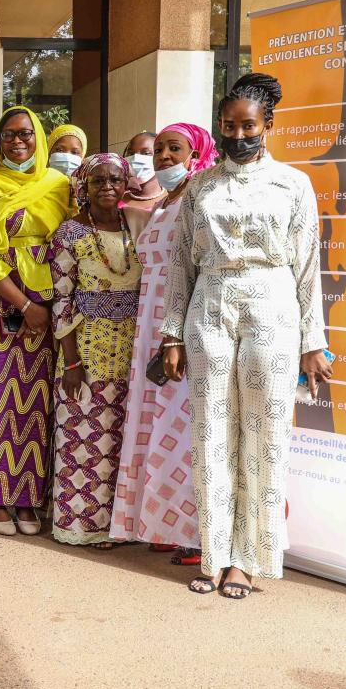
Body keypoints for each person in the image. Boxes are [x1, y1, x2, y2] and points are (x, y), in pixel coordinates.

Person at [161, 73, 331, 600]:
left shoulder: (293, 184)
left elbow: (308, 266)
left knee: (265, 436)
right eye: (228, 126)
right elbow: (180, 264)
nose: (238, 135)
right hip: (209, 309)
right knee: (211, 433)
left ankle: (249, 560)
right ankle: (215, 555)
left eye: (248, 126)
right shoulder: (200, 188)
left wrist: (312, 341)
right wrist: (171, 335)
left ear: (268, 125)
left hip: (272, 310)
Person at [0, 105, 71, 537]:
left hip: (48, 300)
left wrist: (46, 305)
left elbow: (69, 240)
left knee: (36, 402)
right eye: (8, 134)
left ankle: (26, 497)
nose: (18, 141)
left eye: (25, 133)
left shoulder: (58, 184)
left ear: (38, 137)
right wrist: (25, 306)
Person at [109, 123, 217, 564]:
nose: (164, 157)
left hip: (182, 325)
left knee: (183, 426)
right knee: (154, 424)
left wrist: (182, 332)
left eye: (175, 149)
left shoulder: (200, 198)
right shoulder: (163, 203)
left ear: (198, 153)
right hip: (148, 323)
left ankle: (195, 532)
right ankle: (162, 523)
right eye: (159, 151)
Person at [47, 153, 140, 548]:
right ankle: (81, 526)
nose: (107, 187)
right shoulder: (69, 233)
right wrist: (71, 361)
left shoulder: (136, 226)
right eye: (98, 180)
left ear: (126, 184)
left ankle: (119, 526)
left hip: (130, 350)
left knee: (122, 439)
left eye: (115, 179)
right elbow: (61, 299)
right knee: (84, 439)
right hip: (86, 350)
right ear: (83, 186)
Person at [120, 130, 163, 224]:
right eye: (131, 153)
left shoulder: (173, 200)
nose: (136, 158)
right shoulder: (115, 199)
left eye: (146, 153)